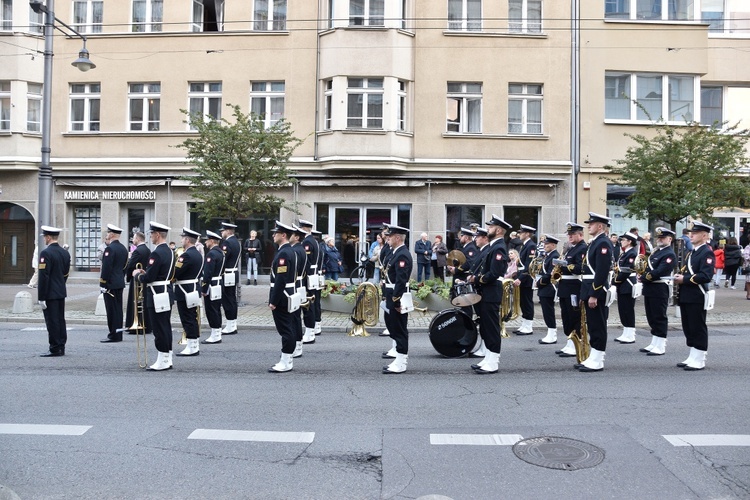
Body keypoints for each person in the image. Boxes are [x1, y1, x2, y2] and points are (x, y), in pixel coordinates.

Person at [468, 215, 510, 374]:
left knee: (492, 328)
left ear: (499, 230)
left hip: (492, 291)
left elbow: (494, 273)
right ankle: (488, 358)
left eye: (491, 227)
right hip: (486, 291)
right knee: (485, 326)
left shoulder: (499, 247)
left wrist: (477, 279)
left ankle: (493, 361)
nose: (488, 229)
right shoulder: (493, 245)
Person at [132, 222, 175, 371]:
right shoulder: (170, 251)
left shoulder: (156, 253)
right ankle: (167, 357)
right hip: (166, 291)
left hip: (157, 294)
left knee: (159, 328)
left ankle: (162, 359)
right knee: (165, 326)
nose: (150, 237)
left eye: (151, 234)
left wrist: (138, 275)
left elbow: (149, 278)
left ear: (157, 234)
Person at [673, 221, 715, 370]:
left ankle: (700, 358)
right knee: (688, 327)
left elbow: (706, 275)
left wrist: (684, 279)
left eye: (695, 233)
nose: (691, 235)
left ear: (704, 236)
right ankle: (692, 355)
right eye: (691, 233)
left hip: (697, 295)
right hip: (687, 294)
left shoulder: (707, 252)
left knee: (697, 326)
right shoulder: (693, 252)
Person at [576, 213, 614, 372]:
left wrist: (594, 294)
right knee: (592, 325)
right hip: (588, 288)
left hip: (596, 290)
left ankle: (598, 359)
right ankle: (594, 356)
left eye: (591, 224)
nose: (588, 226)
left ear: (600, 226)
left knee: (598, 325)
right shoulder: (595, 242)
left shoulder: (603, 243)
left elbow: (601, 271)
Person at [640, 227, 677, 356]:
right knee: (651, 316)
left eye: (663, 238)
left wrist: (644, 277)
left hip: (659, 288)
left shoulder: (669, 254)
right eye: (659, 238)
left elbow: (660, 271)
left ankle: (661, 344)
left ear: (670, 239)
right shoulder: (656, 252)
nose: (660, 240)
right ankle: (654, 342)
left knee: (659, 316)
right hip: (650, 288)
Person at [382, 224, 413, 374]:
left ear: (398, 238)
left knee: (399, 329)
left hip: (398, 297)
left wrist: (396, 300)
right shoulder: (396, 252)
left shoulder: (402, 254)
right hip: (392, 294)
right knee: (393, 326)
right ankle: (398, 358)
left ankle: (401, 362)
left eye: (390, 236)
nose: (387, 238)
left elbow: (401, 280)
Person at [268, 221, 298, 373]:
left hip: (283, 296)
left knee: (286, 330)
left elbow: (281, 279)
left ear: (283, 235)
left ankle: (286, 361)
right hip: (288, 294)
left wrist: (273, 300)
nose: (273, 235)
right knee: (288, 328)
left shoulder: (284, 253)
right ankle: (287, 359)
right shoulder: (287, 251)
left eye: (275, 233)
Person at [555, 223, 587, 358]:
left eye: (572, 234)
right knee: (566, 317)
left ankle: (576, 345)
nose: (570, 237)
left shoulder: (582, 248)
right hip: (565, 287)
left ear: (580, 235)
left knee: (575, 317)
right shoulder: (571, 249)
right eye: (569, 235)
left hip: (574, 286)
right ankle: (570, 342)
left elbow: (580, 268)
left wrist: (565, 266)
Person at [38, 226, 70, 357]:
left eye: (45, 237)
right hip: (60, 291)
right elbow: (66, 273)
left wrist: (41, 297)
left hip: (50, 293)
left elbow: (43, 276)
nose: (45, 239)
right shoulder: (65, 253)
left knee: (52, 321)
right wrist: (60, 284)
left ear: (49, 237)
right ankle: (61, 345)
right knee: (60, 319)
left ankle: (55, 347)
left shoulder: (46, 253)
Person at [174, 228, 204, 357]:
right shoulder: (197, 254)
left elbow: (176, 272)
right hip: (193, 289)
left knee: (187, 318)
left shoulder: (186, 255)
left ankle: (192, 347)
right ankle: (194, 344)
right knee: (192, 317)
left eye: (182, 238)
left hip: (184, 290)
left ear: (187, 240)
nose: (181, 240)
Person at [99, 224, 128, 343]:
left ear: (111, 235)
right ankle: (118, 333)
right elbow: (125, 266)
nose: (106, 235)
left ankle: (113, 334)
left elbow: (106, 268)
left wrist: (103, 283)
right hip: (119, 282)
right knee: (118, 310)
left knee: (111, 311)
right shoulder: (123, 248)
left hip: (110, 284)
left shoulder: (110, 249)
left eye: (108, 233)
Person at [613, 232, 639, 344]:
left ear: (629, 242)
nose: (621, 241)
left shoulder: (632, 253)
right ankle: (626, 332)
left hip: (627, 283)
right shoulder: (624, 253)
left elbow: (626, 271)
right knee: (623, 309)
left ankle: (631, 334)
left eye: (623, 240)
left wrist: (615, 282)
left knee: (628, 309)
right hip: (623, 284)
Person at [200, 231, 225, 345]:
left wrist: (204, 289)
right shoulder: (221, 252)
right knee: (216, 308)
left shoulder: (211, 254)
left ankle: (215, 334)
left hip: (212, 284)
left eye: (207, 240)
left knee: (211, 309)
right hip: (218, 282)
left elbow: (208, 273)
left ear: (211, 241)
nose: (205, 242)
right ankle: (217, 333)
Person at [124, 231, 150, 335]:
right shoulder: (147, 250)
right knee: (143, 302)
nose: (132, 240)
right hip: (144, 279)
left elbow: (130, 266)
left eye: (134, 238)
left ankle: (136, 325)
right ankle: (145, 324)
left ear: (138, 239)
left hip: (137, 280)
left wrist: (129, 275)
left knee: (135, 302)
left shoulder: (138, 251)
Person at [513, 224, 537, 335]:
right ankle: (524, 324)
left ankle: (528, 326)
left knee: (527, 302)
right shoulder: (524, 245)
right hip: (522, 277)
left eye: (521, 232)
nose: (519, 234)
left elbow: (529, 265)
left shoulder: (531, 246)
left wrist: (520, 278)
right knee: (522, 302)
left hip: (526, 278)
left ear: (527, 234)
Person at [536, 234, 560, 345]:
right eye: (544, 244)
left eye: (547, 244)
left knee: (548, 311)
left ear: (553, 245)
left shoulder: (555, 256)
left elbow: (551, 273)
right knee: (546, 311)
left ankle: (552, 334)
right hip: (545, 287)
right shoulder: (548, 255)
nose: (544, 246)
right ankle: (550, 333)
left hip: (549, 287)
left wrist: (539, 283)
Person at [219, 222, 241, 335]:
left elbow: (222, 259)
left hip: (227, 273)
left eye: (223, 231)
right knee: (231, 298)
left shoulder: (227, 243)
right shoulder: (236, 242)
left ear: (228, 231)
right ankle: (232, 324)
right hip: (233, 273)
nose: (221, 233)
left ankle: (230, 325)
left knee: (228, 300)